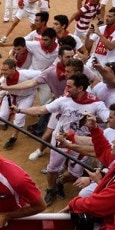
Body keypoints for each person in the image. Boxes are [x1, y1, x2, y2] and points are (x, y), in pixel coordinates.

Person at [12, 74, 109, 206]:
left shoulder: (96, 104)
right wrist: (20, 110)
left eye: (70, 86)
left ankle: (60, 182)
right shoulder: (63, 100)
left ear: (80, 88)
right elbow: (41, 109)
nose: (66, 88)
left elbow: (108, 119)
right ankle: (51, 189)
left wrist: (97, 120)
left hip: (81, 144)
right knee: (52, 168)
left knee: (75, 174)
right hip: (59, 140)